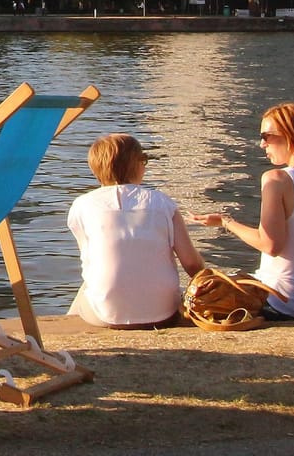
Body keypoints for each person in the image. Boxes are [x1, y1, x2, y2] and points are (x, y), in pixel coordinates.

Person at [195, 102, 294, 320]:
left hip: (284, 304)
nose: (262, 144)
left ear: (290, 135)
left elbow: (270, 245)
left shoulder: (276, 180)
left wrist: (226, 222)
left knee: (203, 293)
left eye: (266, 136)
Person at [66, 133, 204, 328]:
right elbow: (191, 264)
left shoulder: (82, 205)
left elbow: (90, 258)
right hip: (163, 312)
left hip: (107, 315)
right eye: (144, 160)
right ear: (137, 165)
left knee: (89, 284)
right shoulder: (163, 203)